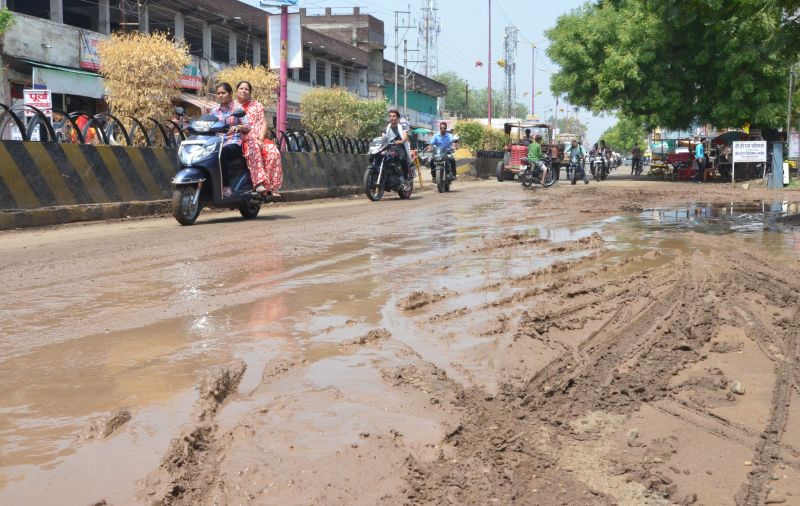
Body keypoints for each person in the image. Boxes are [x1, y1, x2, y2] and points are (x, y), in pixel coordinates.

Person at [235, 80, 283, 196]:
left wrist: (261, 139)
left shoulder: (257, 105)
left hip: (258, 138)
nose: (244, 91)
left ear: (250, 92)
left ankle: (272, 187)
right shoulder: (233, 107)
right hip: (242, 139)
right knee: (254, 146)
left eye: (247, 89)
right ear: (236, 91)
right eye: (241, 88)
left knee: (273, 152)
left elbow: (264, 123)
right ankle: (259, 183)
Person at [211, 82, 250, 197]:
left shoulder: (238, 109)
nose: (220, 95)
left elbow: (248, 127)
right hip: (217, 142)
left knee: (221, 153)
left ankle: (226, 186)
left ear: (230, 94)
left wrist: (238, 127)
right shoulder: (214, 111)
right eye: (218, 93)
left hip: (233, 142)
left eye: (223, 93)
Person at [384, 109, 411, 186]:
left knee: (402, 159)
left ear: (398, 118)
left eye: (393, 116)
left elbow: (405, 137)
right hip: (389, 148)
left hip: (400, 148)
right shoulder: (387, 127)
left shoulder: (401, 127)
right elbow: (383, 136)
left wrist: (400, 141)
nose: (391, 118)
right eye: (390, 116)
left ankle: (405, 179)